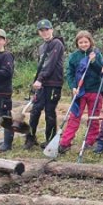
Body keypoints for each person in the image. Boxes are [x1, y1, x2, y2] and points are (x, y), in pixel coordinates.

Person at [59, 30, 103, 154]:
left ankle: (91, 140)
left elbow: (101, 70)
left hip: (94, 90)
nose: (84, 44)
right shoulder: (74, 57)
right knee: (74, 116)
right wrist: (73, 86)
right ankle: (65, 142)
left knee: (93, 117)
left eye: (86, 42)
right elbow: (70, 73)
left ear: (90, 42)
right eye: (81, 42)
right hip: (80, 91)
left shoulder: (96, 54)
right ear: (77, 43)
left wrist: (94, 61)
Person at [27, 19, 65, 150]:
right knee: (35, 111)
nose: (45, 33)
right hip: (41, 83)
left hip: (53, 83)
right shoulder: (41, 47)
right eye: (42, 31)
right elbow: (41, 65)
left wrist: (40, 79)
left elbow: (51, 64)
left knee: (49, 112)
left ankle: (51, 140)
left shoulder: (57, 43)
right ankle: (30, 138)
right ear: (39, 33)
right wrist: (36, 81)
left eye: (47, 30)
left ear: (52, 30)